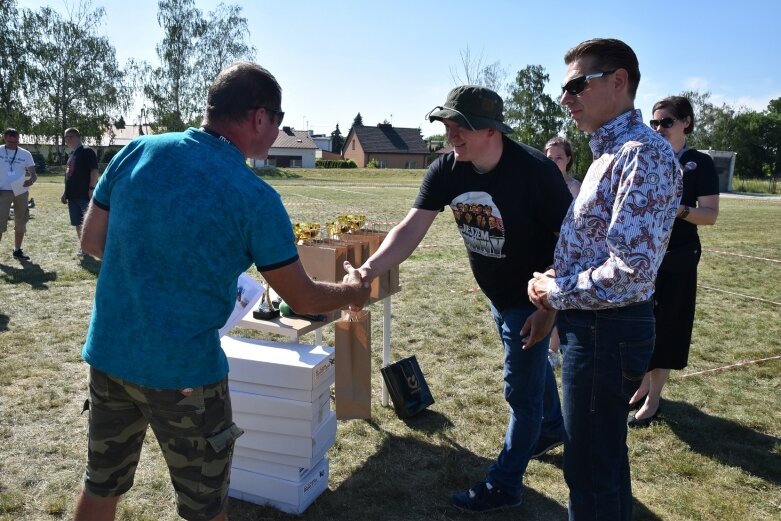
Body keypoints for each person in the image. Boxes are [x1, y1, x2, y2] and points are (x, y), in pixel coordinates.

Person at [73, 61, 370, 521]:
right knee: (205, 508)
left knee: (100, 486)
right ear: (258, 117)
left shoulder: (136, 151)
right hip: (186, 376)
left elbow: (92, 242)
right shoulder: (254, 197)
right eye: (279, 120)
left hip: (109, 355)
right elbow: (306, 299)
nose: (278, 131)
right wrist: (351, 291)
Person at [355, 85, 572, 512]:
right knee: (531, 373)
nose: (451, 136)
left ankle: (506, 484)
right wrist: (368, 270)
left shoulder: (536, 172)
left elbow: (573, 245)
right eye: (447, 126)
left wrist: (550, 308)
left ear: (491, 130)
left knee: (520, 394)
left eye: (461, 128)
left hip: (532, 299)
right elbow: (410, 229)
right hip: (498, 293)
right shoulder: (448, 170)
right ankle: (551, 427)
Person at [528, 38, 681, 521]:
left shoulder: (642, 154)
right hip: (594, 328)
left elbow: (630, 274)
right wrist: (560, 282)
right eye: (564, 87)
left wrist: (555, 290)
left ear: (619, 82)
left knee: (590, 470)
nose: (565, 98)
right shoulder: (610, 152)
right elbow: (602, 247)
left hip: (605, 331)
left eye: (577, 85)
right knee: (602, 460)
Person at [627, 96, 719, 427]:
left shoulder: (699, 162)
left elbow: (710, 215)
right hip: (647, 255)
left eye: (666, 122)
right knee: (644, 322)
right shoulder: (652, 157)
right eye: (654, 123)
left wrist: (678, 209)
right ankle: (640, 387)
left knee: (667, 327)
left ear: (686, 123)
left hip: (679, 256)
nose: (659, 128)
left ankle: (654, 400)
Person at [543, 136, 581, 368]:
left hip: (565, 253)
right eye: (549, 157)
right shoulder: (537, 182)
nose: (554, 161)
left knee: (558, 301)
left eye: (559, 157)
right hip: (541, 248)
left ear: (568, 159)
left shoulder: (576, 188)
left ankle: (553, 349)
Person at [61, 127, 99, 257]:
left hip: (84, 195)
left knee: (90, 223)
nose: (66, 140)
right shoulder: (72, 154)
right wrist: (65, 192)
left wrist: (91, 189)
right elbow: (69, 175)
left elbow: (94, 171)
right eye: (65, 137)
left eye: (67, 137)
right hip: (72, 196)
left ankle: (98, 247)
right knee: (78, 223)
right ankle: (84, 248)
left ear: (74, 136)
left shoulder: (87, 151)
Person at [0, 128, 37, 261]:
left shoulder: (25, 154)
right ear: (5, 138)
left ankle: (17, 250)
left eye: (16, 142)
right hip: (2, 190)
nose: (14, 144)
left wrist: (31, 180)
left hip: (20, 189)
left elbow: (33, 174)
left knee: (21, 221)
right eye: (10, 142)